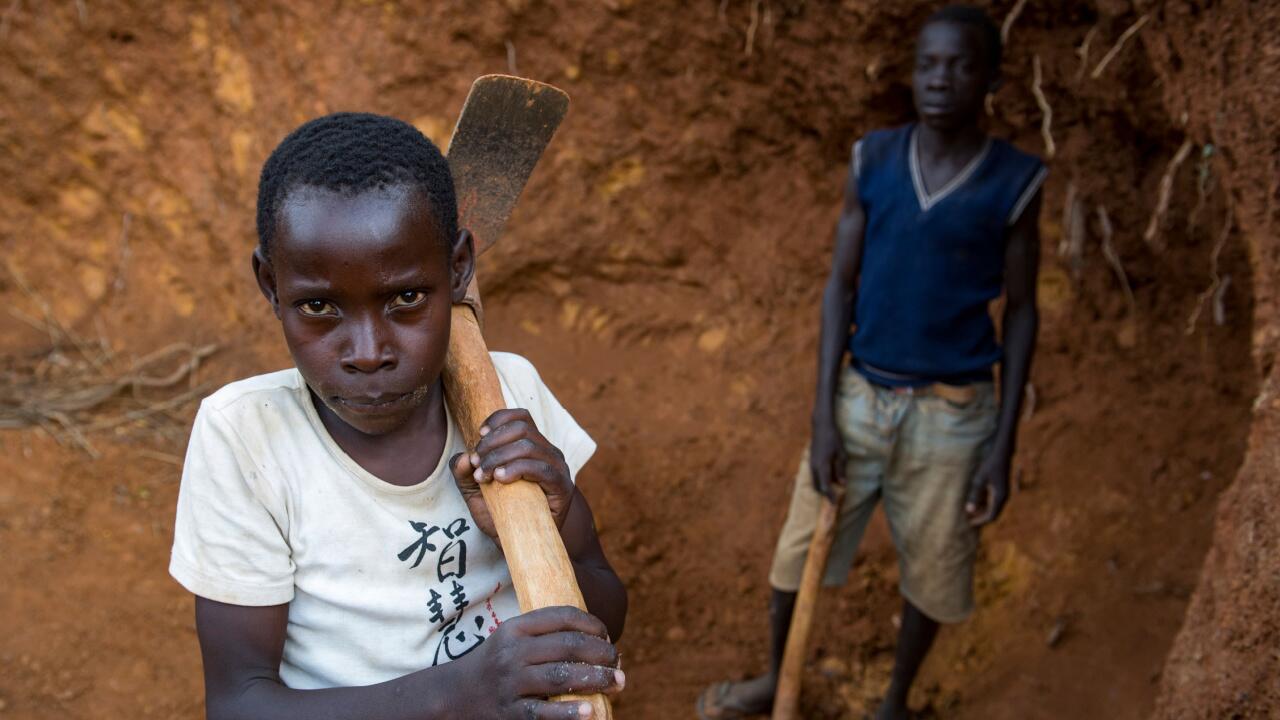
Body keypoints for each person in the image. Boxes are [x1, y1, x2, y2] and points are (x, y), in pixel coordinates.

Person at [169, 112, 627, 720]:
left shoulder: (509, 393)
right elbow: (238, 702)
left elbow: (603, 616)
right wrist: (462, 694)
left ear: (458, 267)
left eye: (406, 297)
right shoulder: (248, 436)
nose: (367, 352)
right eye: (319, 306)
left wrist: (556, 521)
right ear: (270, 286)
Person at [697, 6, 1046, 719]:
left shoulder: (1013, 181)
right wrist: (824, 413)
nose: (940, 80)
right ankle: (775, 678)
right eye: (928, 65)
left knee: (933, 572)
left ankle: (895, 702)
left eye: (959, 66)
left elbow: (1022, 314)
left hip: (954, 414)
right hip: (861, 397)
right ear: (911, 73)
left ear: (991, 80)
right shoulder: (876, 159)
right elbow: (839, 287)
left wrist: (1001, 448)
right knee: (797, 553)